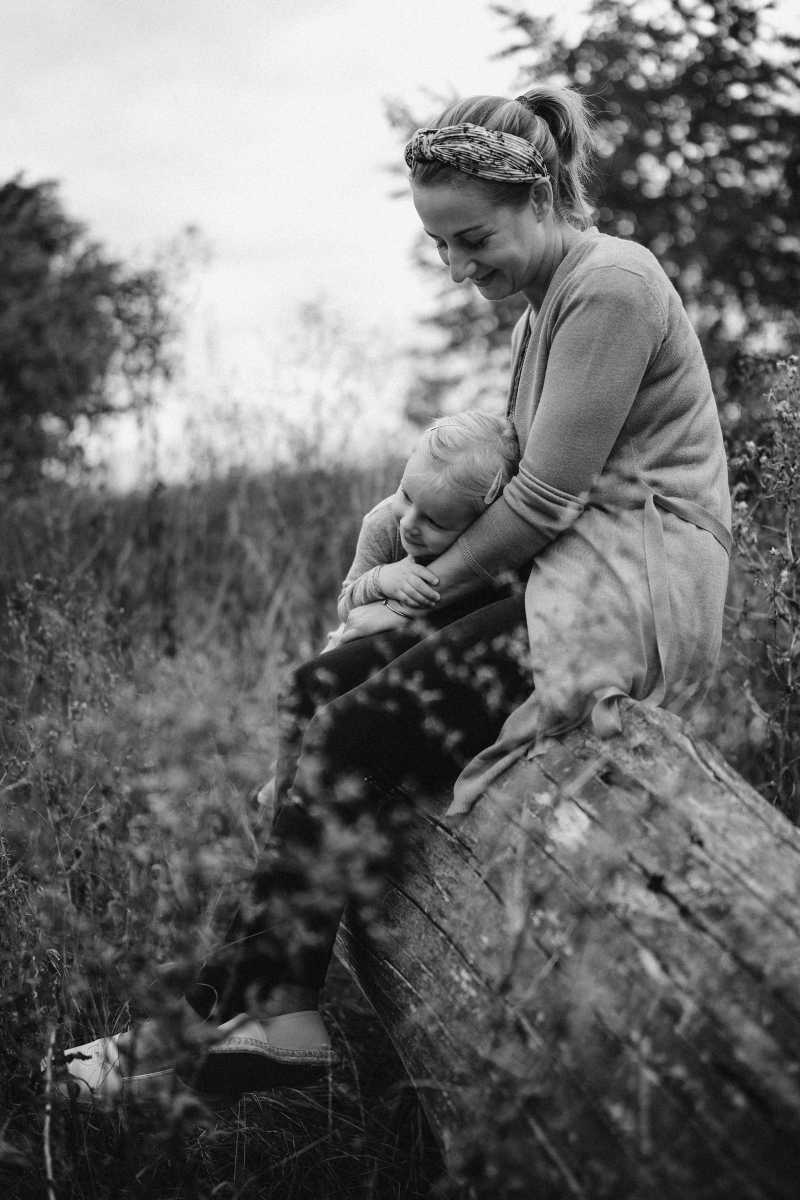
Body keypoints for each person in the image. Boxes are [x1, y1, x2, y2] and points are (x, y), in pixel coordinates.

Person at [57, 83, 731, 1107]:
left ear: (537, 194)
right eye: (439, 249)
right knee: (315, 693)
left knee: (351, 736)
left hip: (626, 586)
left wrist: (417, 588)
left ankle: (268, 1017)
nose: (460, 269)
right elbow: (508, 484)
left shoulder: (611, 284)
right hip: (555, 573)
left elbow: (544, 498)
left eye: (471, 239)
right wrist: (387, 541)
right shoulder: (547, 303)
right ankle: (223, 1008)